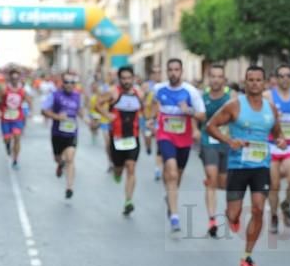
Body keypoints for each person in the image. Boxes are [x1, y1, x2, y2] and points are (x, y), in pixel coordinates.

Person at [206, 66, 287, 266]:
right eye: (250, 80)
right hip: (238, 166)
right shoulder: (234, 105)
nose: (254, 84)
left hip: (261, 165)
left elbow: (277, 133)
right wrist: (229, 140)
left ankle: (247, 256)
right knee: (233, 214)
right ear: (245, 82)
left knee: (259, 209)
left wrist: (280, 140)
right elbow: (211, 126)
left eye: (258, 80)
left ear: (265, 83)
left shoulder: (271, 107)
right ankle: (231, 216)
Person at [149, 58, 206, 233]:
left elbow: (202, 116)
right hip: (165, 135)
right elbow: (152, 104)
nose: (173, 73)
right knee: (171, 172)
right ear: (167, 72)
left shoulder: (191, 91)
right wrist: (152, 120)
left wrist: (187, 110)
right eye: (171, 70)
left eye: (177, 70)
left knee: (178, 174)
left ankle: (170, 197)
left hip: (184, 138)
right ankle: (175, 216)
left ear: (181, 71)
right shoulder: (159, 89)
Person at [265, 64, 290, 234]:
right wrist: (273, 118)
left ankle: (286, 204)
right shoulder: (268, 96)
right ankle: (274, 216)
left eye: (288, 75)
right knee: (274, 186)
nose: (285, 79)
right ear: (276, 78)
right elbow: (261, 116)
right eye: (281, 76)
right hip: (273, 145)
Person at [99, 65, 144, 216]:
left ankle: (128, 201)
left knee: (131, 167)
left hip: (133, 137)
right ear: (119, 79)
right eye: (123, 78)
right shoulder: (113, 92)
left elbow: (145, 109)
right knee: (119, 168)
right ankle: (117, 173)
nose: (126, 81)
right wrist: (107, 114)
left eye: (128, 78)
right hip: (117, 138)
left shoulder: (139, 93)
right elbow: (98, 104)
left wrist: (148, 119)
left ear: (133, 78)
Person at [200, 64, 233, 237]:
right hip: (208, 142)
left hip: (226, 143)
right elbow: (197, 116)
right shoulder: (202, 97)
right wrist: (194, 129)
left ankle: (229, 208)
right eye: (213, 76)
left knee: (223, 182)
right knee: (212, 178)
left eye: (219, 76)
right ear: (208, 78)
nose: (216, 80)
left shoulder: (231, 98)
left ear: (224, 80)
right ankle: (212, 219)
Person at [41, 72, 84, 199]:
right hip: (57, 133)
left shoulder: (77, 96)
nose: (69, 85)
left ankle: (69, 187)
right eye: (67, 82)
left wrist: (87, 119)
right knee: (57, 158)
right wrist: (57, 117)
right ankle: (60, 164)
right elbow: (43, 111)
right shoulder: (54, 95)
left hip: (71, 132)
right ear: (62, 83)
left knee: (70, 159)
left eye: (72, 82)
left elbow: (80, 110)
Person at [0, 68, 31, 168]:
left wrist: (29, 111)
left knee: (17, 137)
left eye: (16, 78)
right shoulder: (4, 89)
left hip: (17, 118)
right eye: (13, 78)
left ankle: (15, 159)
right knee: (7, 139)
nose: (15, 80)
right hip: (5, 118)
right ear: (10, 79)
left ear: (19, 79)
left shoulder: (22, 91)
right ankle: (7, 145)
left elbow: (29, 100)